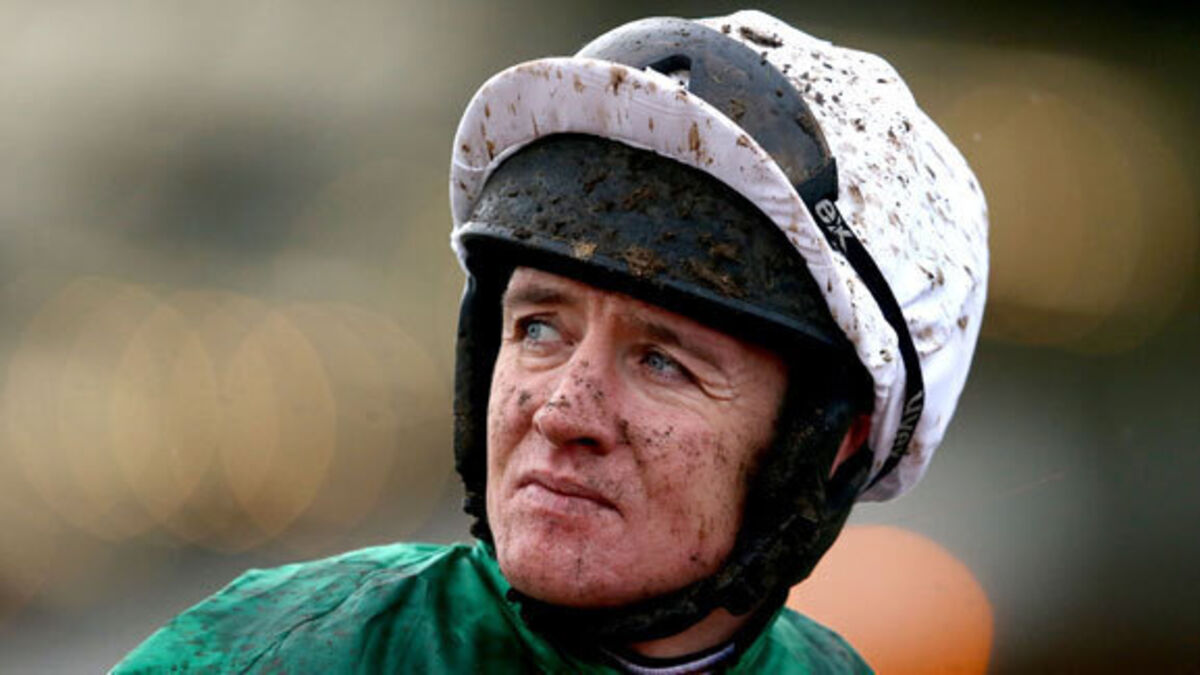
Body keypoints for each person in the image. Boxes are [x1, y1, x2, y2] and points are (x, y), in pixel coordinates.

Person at [113, 9, 987, 673]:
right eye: (539, 327)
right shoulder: (273, 657)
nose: (563, 410)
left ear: (830, 443)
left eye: (661, 360)